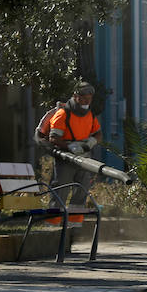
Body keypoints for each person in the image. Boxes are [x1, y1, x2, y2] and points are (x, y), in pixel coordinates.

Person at [47, 81, 102, 225]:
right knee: (60, 191)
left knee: (81, 192)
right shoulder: (63, 114)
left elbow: (98, 134)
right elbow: (53, 138)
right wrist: (69, 146)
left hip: (83, 159)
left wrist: (90, 143)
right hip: (66, 158)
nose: (87, 101)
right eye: (84, 98)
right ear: (75, 96)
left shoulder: (89, 115)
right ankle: (53, 224)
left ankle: (74, 225)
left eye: (89, 98)